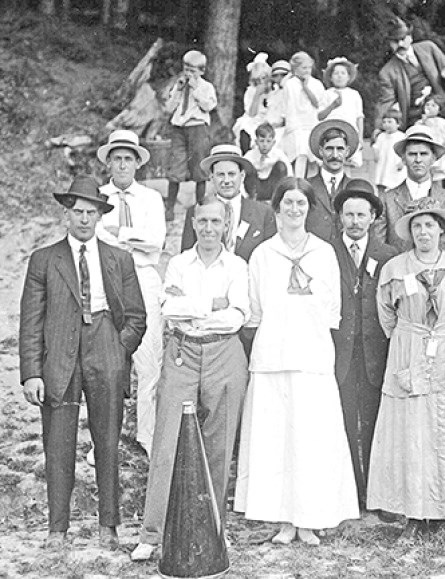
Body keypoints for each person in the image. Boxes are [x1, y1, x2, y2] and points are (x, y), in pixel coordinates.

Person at [20, 176, 146, 550]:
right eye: (77, 212)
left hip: (104, 346)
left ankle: (109, 524)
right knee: (58, 442)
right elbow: (31, 321)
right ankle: (57, 528)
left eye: (91, 213)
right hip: (60, 353)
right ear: (66, 214)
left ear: (100, 216)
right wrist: (31, 372)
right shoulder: (45, 259)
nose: (84, 220)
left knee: (107, 439)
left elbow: (137, 316)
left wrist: (117, 350)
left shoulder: (118, 258)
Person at [234, 177, 358, 546]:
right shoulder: (261, 255)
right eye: (287, 203)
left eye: (300, 204)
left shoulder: (323, 254)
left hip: (312, 360)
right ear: (276, 209)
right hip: (272, 359)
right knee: (277, 442)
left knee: (310, 441)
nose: (293, 210)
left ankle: (309, 519)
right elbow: (254, 312)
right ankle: (284, 521)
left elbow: (333, 311)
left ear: (309, 209)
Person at [131, 196, 250, 562]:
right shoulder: (179, 263)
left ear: (225, 225)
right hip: (183, 353)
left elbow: (237, 315)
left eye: (216, 221)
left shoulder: (237, 265)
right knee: (168, 442)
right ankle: (152, 534)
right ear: (194, 224)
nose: (209, 228)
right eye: (203, 221)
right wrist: (209, 304)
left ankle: (214, 530)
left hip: (223, 353)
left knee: (218, 446)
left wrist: (194, 306)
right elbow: (169, 310)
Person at [367, 197, 445, 542]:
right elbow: (385, 314)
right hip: (409, 349)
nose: (424, 231)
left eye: (430, 225)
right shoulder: (395, 269)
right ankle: (414, 513)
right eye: (417, 225)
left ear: (441, 230)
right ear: (410, 231)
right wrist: (410, 337)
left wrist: (441, 336)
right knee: (412, 432)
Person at [96, 130, 166, 458]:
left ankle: (147, 435)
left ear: (138, 163)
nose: (122, 164)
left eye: (128, 158)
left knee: (150, 360)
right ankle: (105, 440)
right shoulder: (96, 198)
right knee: (108, 362)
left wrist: (121, 233)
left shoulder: (151, 199)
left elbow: (157, 242)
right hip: (109, 281)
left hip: (145, 278)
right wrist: (131, 240)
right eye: (117, 158)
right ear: (108, 162)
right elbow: (98, 241)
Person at [331, 180, 397, 510]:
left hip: (375, 354)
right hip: (339, 354)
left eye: (362, 214)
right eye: (349, 214)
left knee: (375, 424)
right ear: (340, 216)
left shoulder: (387, 256)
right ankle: (348, 493)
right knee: (343, 422)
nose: (355, 221)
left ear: (373, 217)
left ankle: (375, 493)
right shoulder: (326, 252)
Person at [374, 125, 445, 253]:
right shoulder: (386, 200)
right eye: (412, 154)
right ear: (403, 159)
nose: (418, 160)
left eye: (424, 154)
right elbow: (378, 249)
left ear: (433, 158)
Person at [181, 144, 275, 263]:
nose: (226, 181)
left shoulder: (263, 213)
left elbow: (270, 261)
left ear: (242, 176)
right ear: (211, 177)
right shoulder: (197, 211)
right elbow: (187, 260)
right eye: (220, 175)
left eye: (231, 174)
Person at [375, 18, 445, 131]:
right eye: (395, 41)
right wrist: (378, 128)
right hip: (415, 118)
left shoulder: (428, 48)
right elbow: (386, 102)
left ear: (410, 38)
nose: (400, 44)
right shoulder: (387, 72)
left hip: (442, 110)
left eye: (403, 39)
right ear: (390, 44)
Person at [164, 50, 218, 221]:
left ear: (201, 71)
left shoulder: (206, 87)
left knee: (199, 165)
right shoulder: (179, 85)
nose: (188, 74)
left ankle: (200, 206)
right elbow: (169, 107)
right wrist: (179, 90)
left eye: (193, 71)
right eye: (186, 69)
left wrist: (196, 90)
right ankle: (170, 208)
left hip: (197, 127)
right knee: (176, 164)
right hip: (179, 127)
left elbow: (209, 106)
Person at [305, 119, 359, 243]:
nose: (335, 155)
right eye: (329, 149)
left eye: (340, 149)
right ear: (320, 151)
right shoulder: (306, 187)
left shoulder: (356, 188)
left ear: (347, 151)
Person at [280, 51, 327, 179]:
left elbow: (317, 104)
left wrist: (306, 87)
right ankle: (298, 182)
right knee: (300, 155)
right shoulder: (289, 84)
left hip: (312, 124)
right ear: (295, 69)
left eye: (309, 67)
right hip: (296, 126)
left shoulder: (316, 84)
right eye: (303, 68)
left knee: (314, 159)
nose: (307, 70)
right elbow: (286, 106)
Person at [318, 57, 365, 168]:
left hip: (350, 132)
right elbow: (320, 116)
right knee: (334, 159)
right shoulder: (327, 94)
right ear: (331, 77)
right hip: (332, 132)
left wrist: (360, 137)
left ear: (348, 77)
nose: (339, 76)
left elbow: (359, 117)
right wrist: (333, 106)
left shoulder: (354, 94)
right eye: (336, 73)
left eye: (343, 73)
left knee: (349, 161)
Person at [243, 122, 291, 202]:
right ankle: (252, 199)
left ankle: (277, 199)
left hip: (271, 185)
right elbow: (241, 174)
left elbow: (289, 173)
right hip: (255, 186)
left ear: (273, 143)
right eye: (262, 141)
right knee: (248, 167)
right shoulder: (250, 155)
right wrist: (244, 195)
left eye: (268, 141)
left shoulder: (278, 154)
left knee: (281, 166)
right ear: (256, 142)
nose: (265, 144)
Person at [416, 94, 445, 185]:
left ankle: (438, 197)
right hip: (424, 153)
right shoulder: (419, 123)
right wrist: (424, 122)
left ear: (439, 109)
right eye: (427, 105)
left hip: (438, 154)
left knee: (437, 178)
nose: (429, 107)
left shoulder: (444, 123)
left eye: (433, 105)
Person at [373, 109, 406, 194]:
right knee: (381, 184)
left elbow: (406, 151)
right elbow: (376, 147)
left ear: (398, 124)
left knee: (394, 186)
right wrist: (376, 154)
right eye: (384, 122)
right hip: (383, 165)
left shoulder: (401, 137)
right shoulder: (381, 136)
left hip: (395, 166)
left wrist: (403, 161)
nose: (386, 124)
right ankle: (381, 202)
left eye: (390, 122)